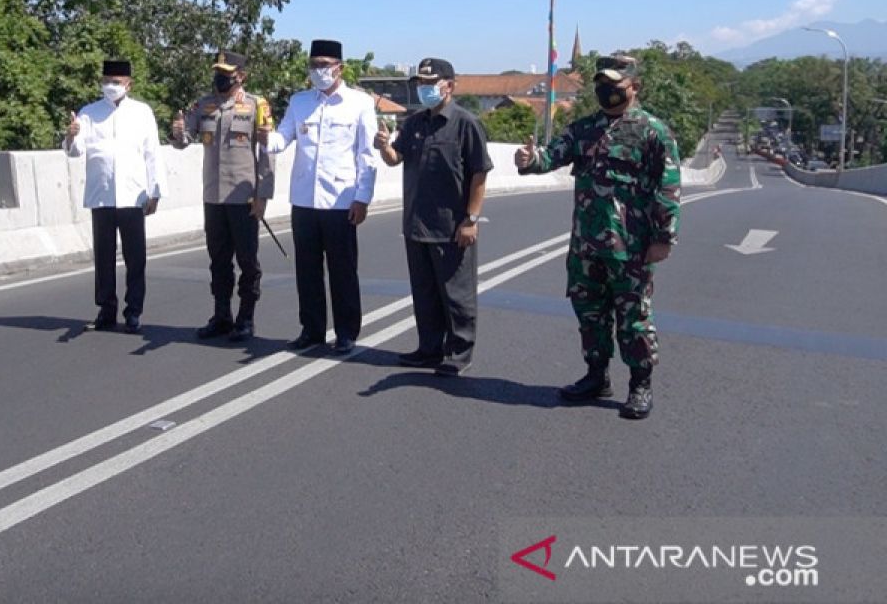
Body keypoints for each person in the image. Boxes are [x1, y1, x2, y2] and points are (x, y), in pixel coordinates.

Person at [514, 53, 680, 419]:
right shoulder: (584, 129)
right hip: (586, 244)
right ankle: (596, 375)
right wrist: (529, 160)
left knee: (633, 316)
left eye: (615, 85)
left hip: (630, 247)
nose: (607, 92)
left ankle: (640, 383)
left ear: (634, 86)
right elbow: (551, 157)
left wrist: (663, 237)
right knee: (590, 313)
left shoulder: (653, 132)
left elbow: (667, 189)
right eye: (601, 85)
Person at [258, 39, 378, 355]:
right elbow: (281, 139)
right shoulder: (299, 102)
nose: (319, 71)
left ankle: (346, 332)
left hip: (341, 199)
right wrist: (262, 136)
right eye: (314, 65)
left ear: (340, 67)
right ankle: (311, 329)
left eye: (324, 64)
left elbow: (366, 155)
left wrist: (362, 197)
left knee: (342, 270)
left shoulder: (359, 103)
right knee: (307, 270)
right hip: (304, 198)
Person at [374, 58, 491, 376]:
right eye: (421, 84)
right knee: (424, 293)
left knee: (456, 295)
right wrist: (384, 147)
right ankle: (429, 349)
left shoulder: (466, 124)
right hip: (416, 224)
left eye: (431, 83)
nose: (424, 89)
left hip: (451, 226)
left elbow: (479, 173)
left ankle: (459, 352)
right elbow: (396, 158)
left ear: (449, 85)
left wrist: (471, 219)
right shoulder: (414, 123)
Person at [171, 50, 275, 341]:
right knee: (218, 260)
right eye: (218, 71)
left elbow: (267, 153)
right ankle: (221, 315)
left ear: (240, 76)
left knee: (247, 261)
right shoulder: (204, 105)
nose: (220, 77)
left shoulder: (256, 105)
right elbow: (183, 141)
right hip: (214, 196)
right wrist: (178, 132)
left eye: (227, 73)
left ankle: (246, 318)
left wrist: (262, 194)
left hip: (243, 196)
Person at [64, 59, 165, 335]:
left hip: (133, 195)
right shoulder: (88, 113)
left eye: (116, 82)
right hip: (102, 195)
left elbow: (152, 154)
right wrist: (71, 137)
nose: (110, 86)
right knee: (104, 257)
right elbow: (75, 152)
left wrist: (155, 191)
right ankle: (106, 309)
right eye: (107, 81)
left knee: (136, 258)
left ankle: (133, 311)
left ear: (128, 84)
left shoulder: (142, 113)